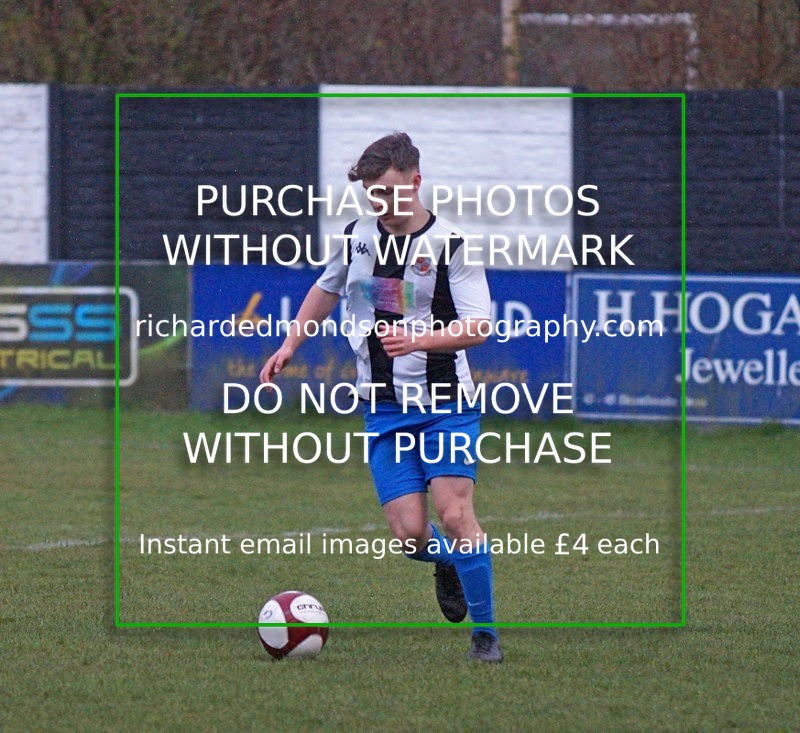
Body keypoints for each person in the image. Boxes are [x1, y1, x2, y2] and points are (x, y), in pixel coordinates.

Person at [260, 132, 502, 662]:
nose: (383, 205)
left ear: (416, 181)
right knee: (410, 534)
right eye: (373, 195)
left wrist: (420, 338)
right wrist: (291, 342)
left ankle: (485, 636)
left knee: (456, 515)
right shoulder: (357, 238)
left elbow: (480, 326)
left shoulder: (453, 246)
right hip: (384, 408)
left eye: (391, 192)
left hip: (446, 405)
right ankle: (447, 562)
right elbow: (326, 289)